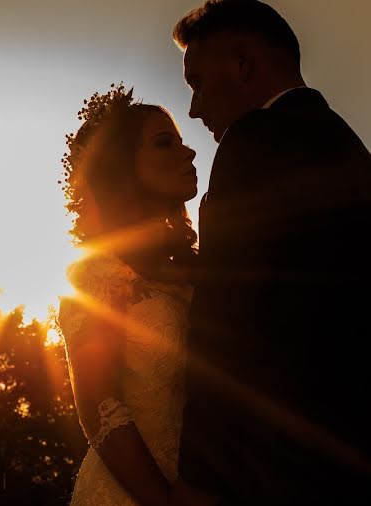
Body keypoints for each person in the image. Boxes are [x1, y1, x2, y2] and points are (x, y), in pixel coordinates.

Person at [170, 1, 371, 504]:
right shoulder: (350, 149)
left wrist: (199, 476)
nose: (194, 109)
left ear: (243, 65)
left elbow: (228, 327)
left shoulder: (254, 142)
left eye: (196, 83)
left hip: (277, 472)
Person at [53, 83, 199, 506]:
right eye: (164, 143)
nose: (188, 153)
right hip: (130, 493)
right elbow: (98, 405)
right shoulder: (96, 273)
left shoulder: (191, 268)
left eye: (184, 143)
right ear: (122, 167)